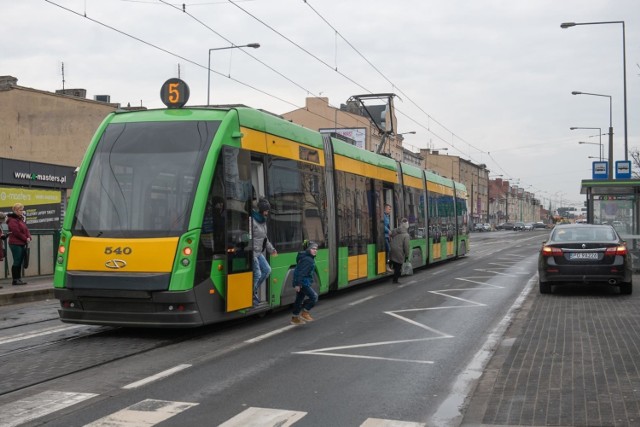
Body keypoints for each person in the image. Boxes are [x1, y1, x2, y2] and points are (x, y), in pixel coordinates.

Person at [251, 198, 277, 307]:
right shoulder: (252, 220)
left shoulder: (262, 221)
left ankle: (253, 291)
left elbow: (264, 238)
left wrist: (272, 250)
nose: (267, 213)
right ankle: (250, 295)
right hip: (252, 252)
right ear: (261, 210)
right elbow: (248, 238)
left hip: (259, 252)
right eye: (266, 211)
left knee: (267, 270)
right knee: (257, 274)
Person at [291, 240, 319, 325]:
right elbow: (300, 272)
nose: (315, 250)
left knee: (299, 300)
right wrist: (298, 284)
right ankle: (305, 312)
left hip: (301, 282)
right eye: (313, 248)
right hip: (303, 283)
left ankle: (295, 318)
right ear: (308, 249)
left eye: (316, 249)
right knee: (314, 297)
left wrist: (297, 283)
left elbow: (298, 271)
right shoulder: (308, 260)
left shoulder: (305, 257)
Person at [6, 203, 31, 286]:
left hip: (21, 243)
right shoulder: (12, 220)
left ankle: (19, 279)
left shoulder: (20, 219)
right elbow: (16, 232)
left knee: (20, 261)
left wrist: (29, 237)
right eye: (20, 210)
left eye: (22, 210)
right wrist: (25, 238)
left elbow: (26, 229)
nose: (22, 211)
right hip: (15, 243)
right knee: (17, 261)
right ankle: (15, 280)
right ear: (16, 210)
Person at [389, 218, 410, 284]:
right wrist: (407, 255)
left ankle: (390, 268)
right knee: (398, 265)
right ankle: (395, 280)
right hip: (399, 250)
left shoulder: (395, 230)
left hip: (392, 248)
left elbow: (390, 234)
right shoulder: (406, 235)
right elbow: (406, 247)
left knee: (395, 263)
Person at [383, 203, 392, 272]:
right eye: (389, 209)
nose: (390, 210)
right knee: (388, 250)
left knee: (388, 250)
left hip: (386, 236)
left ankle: (387, 265)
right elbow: (382, 225)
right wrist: (388, 231)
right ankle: (387, 265)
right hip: (384, 236)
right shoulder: (383, 216)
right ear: (385, 209)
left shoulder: (387, 216)